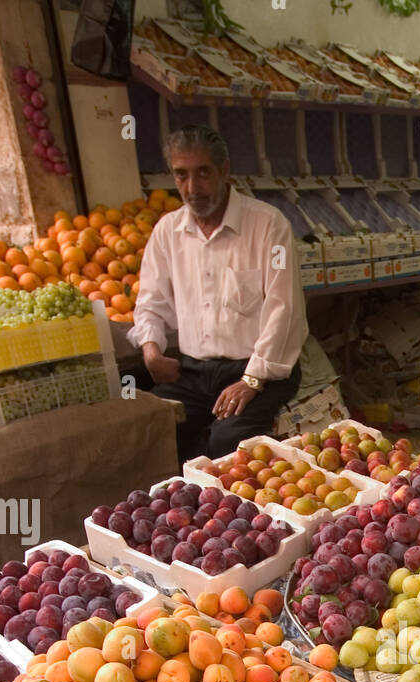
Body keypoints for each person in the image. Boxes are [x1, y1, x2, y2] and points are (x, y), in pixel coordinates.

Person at [129, 125, 308, 461]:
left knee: (227, 443)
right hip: (193, 373)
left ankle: (223, 510)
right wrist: (151, 352)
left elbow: (285, 311)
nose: (192, 188)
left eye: (203, 173)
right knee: (158, 431)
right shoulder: (168, 232)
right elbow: (150, 303)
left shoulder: (268, 225)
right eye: (181, 175)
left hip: (259, 369)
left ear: (224, 171)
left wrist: (252, 380)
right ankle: (175, 510)